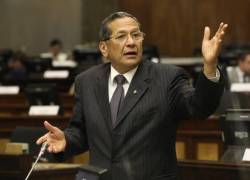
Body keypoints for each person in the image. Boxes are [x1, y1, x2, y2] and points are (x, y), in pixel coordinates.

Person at [37, 12, 228, 180]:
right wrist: (67, 140)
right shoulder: (86, 81)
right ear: (104, 48)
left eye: (136, 35)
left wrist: (210, 66)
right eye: (121, 36)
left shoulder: (167, 77)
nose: (131, 42)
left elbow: (199, 107)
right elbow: (82, 131)